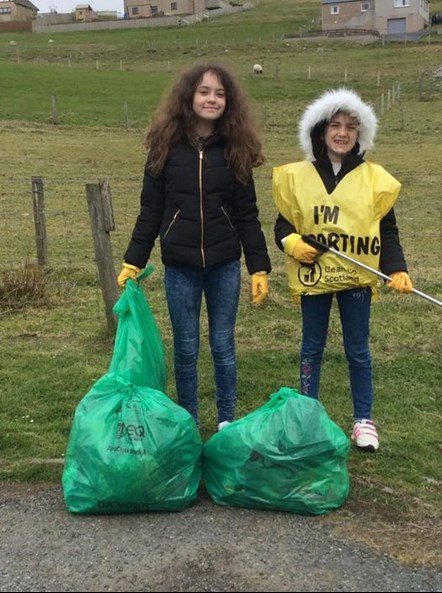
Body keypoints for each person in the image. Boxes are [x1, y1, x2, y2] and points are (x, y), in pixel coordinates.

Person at [118, 62, 271, 431]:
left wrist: (259, 266)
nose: (212, 99)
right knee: (186, 349)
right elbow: (151, 210)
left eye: (220, 93)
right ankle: (188, 421)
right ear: (189, 96)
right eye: (204, 91)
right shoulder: (165, 146)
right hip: (180, 266)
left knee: (223, 346)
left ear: (228, 101)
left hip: (224, 266)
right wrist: (133, 261)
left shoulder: (235, 148)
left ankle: (226, 422)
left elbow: (247, 213)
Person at [272, 88, 413, 452]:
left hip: (355, 280)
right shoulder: (297, 177)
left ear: (359, 134)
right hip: (314, 278)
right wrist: (293, 245)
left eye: (351, 127)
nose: (342, 133)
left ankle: (363, 420)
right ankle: (306, 412)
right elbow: (282, 227)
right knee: (311, 347)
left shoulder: (373, 179)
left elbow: (387, 230)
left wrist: (396, 268)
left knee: (358, 349)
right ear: (320, 132)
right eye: (335, 125)